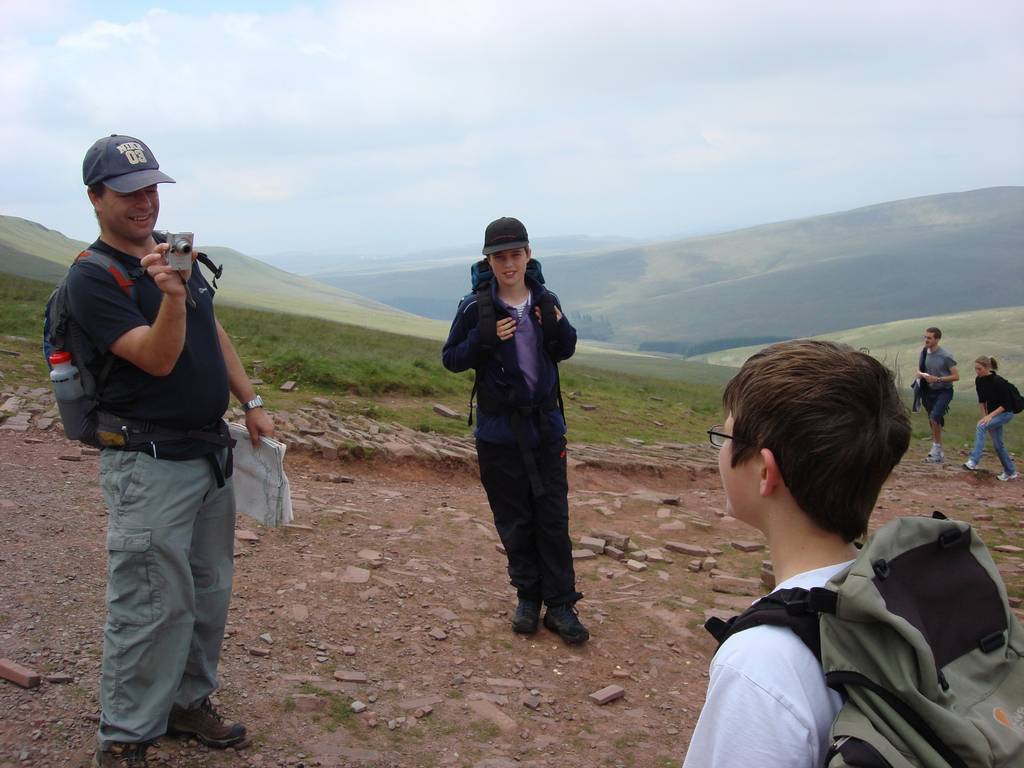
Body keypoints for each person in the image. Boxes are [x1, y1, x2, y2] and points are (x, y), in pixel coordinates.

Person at [68, 135, 274, 767]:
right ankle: (126, 734)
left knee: (208, 591)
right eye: (129, 191)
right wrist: (173, 299)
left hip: (207, 454)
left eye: (152, 188)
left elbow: (212, 333)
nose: (145, 201)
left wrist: (250, 399)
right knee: (152, 598)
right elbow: (157, 357)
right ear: (96, 197)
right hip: (147, 462)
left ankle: (187, 704)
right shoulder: (93, 278)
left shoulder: (167, 260)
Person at [682, 340, 910, 768]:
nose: (721, 453)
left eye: (725, 437)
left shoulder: (762, 664)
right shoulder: (902, 590)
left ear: (765, 472)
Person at [441, 217, 588, 644]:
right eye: (500, 257)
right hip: (498, 433)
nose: (509, 264)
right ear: (488, 260)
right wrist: (485, 339)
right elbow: (451, 358)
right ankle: (528, 597)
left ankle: (561, 606)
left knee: (553, 518)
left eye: (516, 255)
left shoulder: (545, 299)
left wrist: (555, 323)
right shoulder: (475, 307)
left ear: (529, 255)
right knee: (514, 519)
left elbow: (566, 347)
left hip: (544, 429)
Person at [963, 356, 1019, 481]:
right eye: (975, 369)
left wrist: (989, 418)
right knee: (998, 445)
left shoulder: (998, 382)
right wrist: (985, 418)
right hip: (992, 414)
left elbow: (1006, 405)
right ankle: (1011, 471)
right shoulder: (979, 380)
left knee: (980, 426)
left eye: (979, 369)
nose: (977, 371)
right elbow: (982, 401)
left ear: (987, 367)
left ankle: (973, 460)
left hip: (1005, 413)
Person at [915, 326, 958, 463]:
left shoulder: (946, 356)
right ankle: (938, 452)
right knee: (933, 420)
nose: (926, 340)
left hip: (944, 390)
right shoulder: (924, 352)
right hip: (929, 391)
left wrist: (937, 379)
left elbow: (956, 376)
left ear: (937, 339)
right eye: (925, 337)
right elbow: (920, 367)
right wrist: (920, 374)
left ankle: (936, 449)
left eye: (929, 338)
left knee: (934, 417)